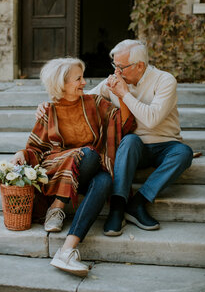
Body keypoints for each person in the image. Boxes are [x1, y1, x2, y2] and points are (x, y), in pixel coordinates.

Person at [36, 40, 194, 237]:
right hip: (132, 149)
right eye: (115, 66)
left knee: (184, 153)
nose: (116, 72)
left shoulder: (165, 81)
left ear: (140, 66)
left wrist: (124, 95)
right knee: (130, 141)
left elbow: (151, 119)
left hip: (165, 144)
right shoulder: (114, 81)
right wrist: (49, 105)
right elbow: (77, 101)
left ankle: (138, 203)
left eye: (121, 67)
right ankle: (117, 208)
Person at [11, 57, 136, 277]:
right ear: (62, 84)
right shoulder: (48, 111)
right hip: (58, 174)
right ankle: (58, 205)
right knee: (90, 158)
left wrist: (121, 96)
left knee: (102, 174)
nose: (84, 82)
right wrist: (22, 153)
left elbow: (124, 124)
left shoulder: (94, 103)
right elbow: (36, 150)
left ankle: (66, 248)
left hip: (86, 172)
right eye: (78, 79)